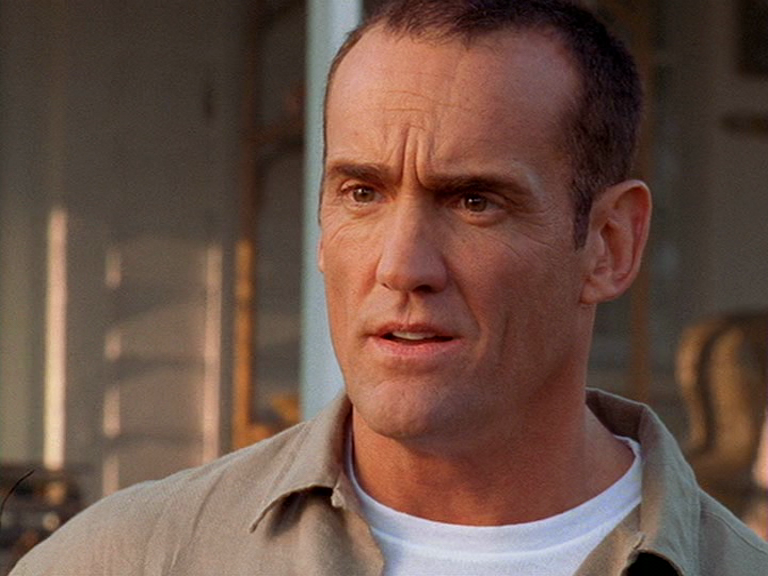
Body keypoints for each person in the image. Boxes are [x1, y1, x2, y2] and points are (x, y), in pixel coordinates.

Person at [11, 1, 768, 574]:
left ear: (609, 245)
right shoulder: (129, 559)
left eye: (474, 201)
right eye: (362, 193)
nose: (402, 267)